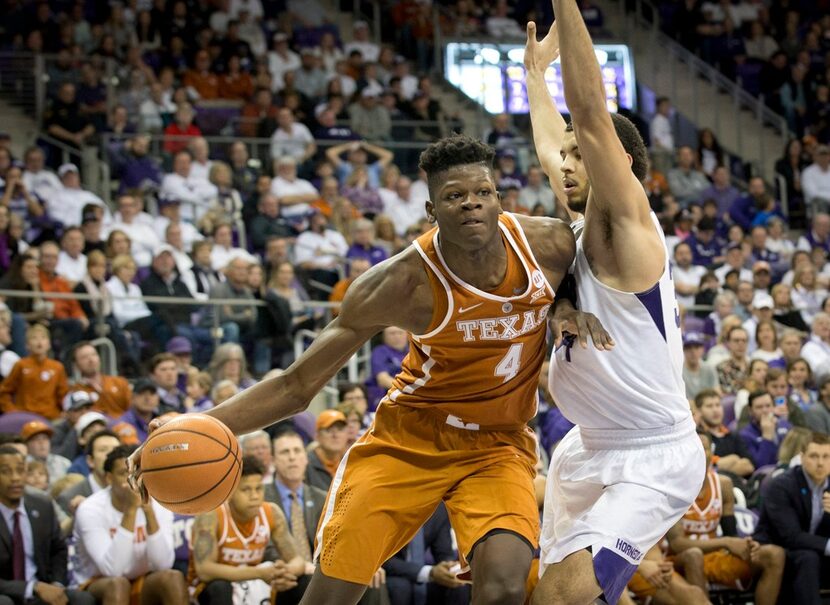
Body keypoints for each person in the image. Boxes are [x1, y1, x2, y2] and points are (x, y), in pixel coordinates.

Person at [131, 133, 577, 605]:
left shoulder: (548, 244)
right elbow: (296, 385)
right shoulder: (399, 282)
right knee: (332, 597)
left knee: (506, 586)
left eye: (482, 193)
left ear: (499, 200)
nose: (471, 204)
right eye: (454, 196)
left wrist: (566, 305)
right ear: (431, 211)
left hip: (498, 443)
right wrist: (191, 425)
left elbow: (588, 275)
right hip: (409, 440)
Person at [524, 12, 704, 604]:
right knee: (551, 591)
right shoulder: (583, 222)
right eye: (567, 157)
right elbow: (552, 142)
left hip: (652, 455)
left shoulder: (630, 231)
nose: (564, 164)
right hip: (588, 444)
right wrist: (533, 73)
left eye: (581, 155)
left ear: (615, 164)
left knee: (558, 596)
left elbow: (591, 112)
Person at [666, 433, 785, 605]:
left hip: (714, 557)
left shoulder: (723, 484)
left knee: (774, 554)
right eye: (694, 448)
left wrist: (744, 546)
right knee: (694, 555)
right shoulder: (672, 488)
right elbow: (677, 544)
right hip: (680, 560)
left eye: (704, 448)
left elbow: (731, 535)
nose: (699, 452)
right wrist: (726, 542)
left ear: (711, 453)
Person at [73, 446, 188, 605]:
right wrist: (131, 510)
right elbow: (113, 570)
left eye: (137, 472)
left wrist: (149, 512)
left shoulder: (159, 502)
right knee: (118, 584)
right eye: (123, 473)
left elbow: (163, 564)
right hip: (97, 583)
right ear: (108, 478)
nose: (131, 480)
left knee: (172, 577)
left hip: (140, 581)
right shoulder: (90, 509)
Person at [188, 456, 308, 605]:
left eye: (258, 488)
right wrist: (259, 573)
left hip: (254, 582)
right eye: (246, 489)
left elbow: (298, 561)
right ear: (230, 492)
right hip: (212, 589)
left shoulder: (272, 512)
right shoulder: (211, 515)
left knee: (302, 581)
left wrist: (283, 573)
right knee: (220, 587)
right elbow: (205, 571)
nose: (255, 496)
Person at [0, 445, 96, 605]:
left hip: (42, 591)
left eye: (20, 470)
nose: (15, 477)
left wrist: (56, 585)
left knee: (82, 599)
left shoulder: (42, 505)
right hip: (8, 593)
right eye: (5, 471)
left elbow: (58, 550)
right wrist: (33, 587)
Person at [753, 432, 830, 604]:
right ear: (802, 458)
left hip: (814, 553)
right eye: (814, 456)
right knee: (808, 558)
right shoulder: (781, 486)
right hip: (778, 554)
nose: (820, 463)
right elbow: (791, 536)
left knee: (810, 556)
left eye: (826, 457)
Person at [0, 324, 68, 420]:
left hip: (52, 418)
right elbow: (4, 392)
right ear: (27, 345)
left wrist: (66, 412)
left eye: (43, 337)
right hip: (26, 418)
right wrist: (12, 412)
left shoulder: (58, 367)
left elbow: (63, 396)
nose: (39, 342)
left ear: (49, 344)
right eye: (34, 338)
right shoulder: (20, 365)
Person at [696, 389, 755, 478]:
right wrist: (734, 459)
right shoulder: (699, 438)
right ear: (699, 412)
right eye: (709, 406)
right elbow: (703, 469)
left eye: (718, 405)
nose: (715, 410)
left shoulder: (733, 435)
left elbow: (749, 466)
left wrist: (719, 468)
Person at [69, 342, 132, 418]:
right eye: (84, 357)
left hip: (125, 425)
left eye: (94, 354)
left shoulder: (120, 382)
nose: (91, 359)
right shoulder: (76, 391)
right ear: (76, 365)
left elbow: (132, 410)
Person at [740, 391, 793, 468]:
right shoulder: (745, 435)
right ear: (750, 411)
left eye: (768, 406)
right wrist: (767, 436)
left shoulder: (785, 425)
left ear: (773, 407)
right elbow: (760, 467)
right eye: (759, 407)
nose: (765, 410)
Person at [20, 420, 70, 486]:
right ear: (26, 445)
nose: (41, 442)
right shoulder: (22, 465)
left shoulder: (64, 463)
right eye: (35, 439)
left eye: (45, 438)